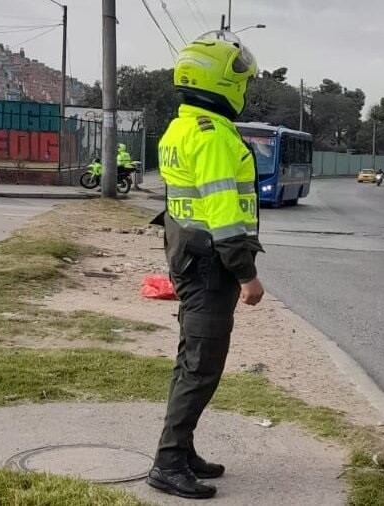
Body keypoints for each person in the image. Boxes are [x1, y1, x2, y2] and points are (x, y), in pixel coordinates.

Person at [147, 30, 264, 500]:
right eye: (241, 80)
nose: (245, 88)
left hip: (188, 258)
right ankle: (169, 462)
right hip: (213, 266)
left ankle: (183, 448)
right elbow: (224, 216)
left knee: (190, 359)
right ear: (222, 81)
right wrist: (247, 276)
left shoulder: (181, 126)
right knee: (201, 366)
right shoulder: (214, 137)